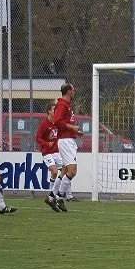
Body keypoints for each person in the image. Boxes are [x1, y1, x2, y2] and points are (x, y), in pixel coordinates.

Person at [53, 83, 83, 212]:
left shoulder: (67, 105)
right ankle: (59, 197)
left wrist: (76, 131)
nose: (74, 92)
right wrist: (72, 128)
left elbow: (64, 123)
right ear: (69, 91)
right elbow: (57, 121)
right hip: (65, 141)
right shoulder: (62, 104)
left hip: (68, 139)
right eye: (73, 90)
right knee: (72, 171)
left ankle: (53, 196)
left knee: (65, 171)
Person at [36, 102, 64, 212]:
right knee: (54, 171)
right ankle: (53, 196)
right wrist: (46, 144)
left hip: (57, 152)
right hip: (47, 152)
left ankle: (58, 197)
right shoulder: (44, 124)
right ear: (49, 111)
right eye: (53, 109)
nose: (55, 111)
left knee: (66, 171)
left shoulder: (57, 122)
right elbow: (38, 138)